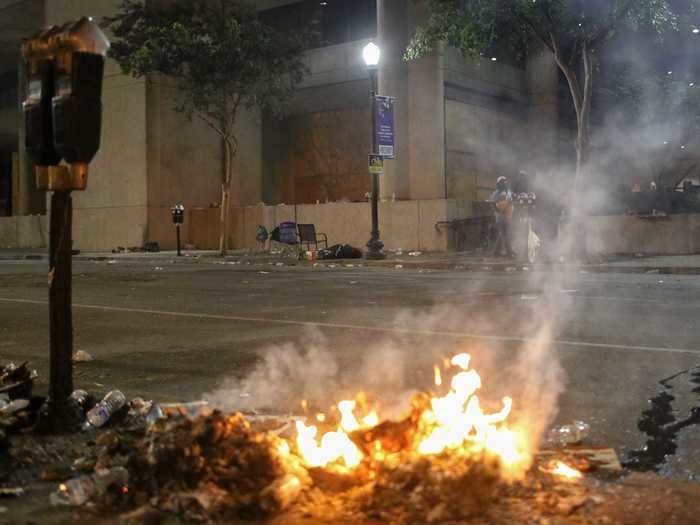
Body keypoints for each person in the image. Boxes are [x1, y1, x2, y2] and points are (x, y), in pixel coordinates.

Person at [490, 176, 514, 258]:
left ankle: (496, 252)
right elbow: (492, 204)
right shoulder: (496, 193)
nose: (504, 183)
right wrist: (499, 211)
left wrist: (509, 211)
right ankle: (509, 253)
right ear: (498, 184)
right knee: (505, 234)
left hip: (508, 216)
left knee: (503, 234)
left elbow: (511, 202)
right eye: (502, 182)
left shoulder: (509, 192)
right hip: (500, 217)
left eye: (504, 182)